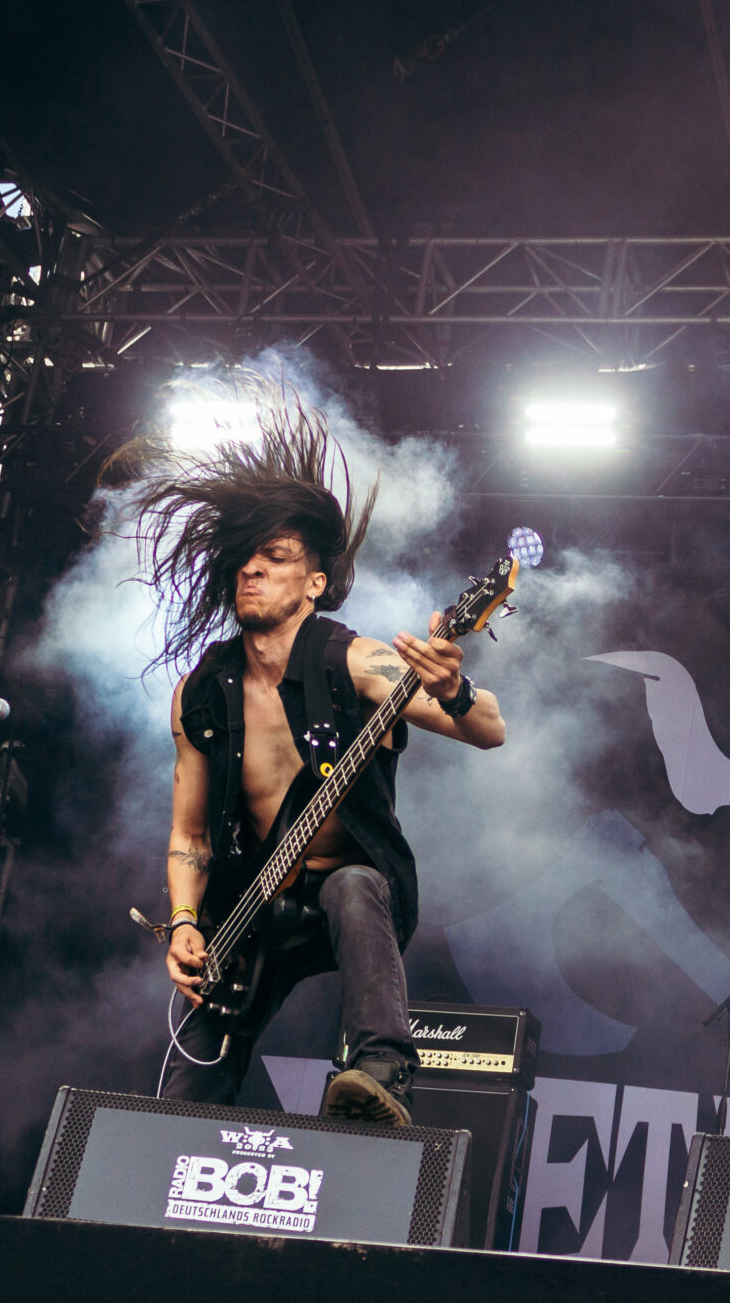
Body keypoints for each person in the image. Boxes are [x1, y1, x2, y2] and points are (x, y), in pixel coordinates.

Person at [143, 395, 505, 1125]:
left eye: (275, 558)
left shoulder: (356, 660)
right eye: (246, 559)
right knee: (180, 1100)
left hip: (354, 896)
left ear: (314, 582)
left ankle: (381, 1070)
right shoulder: (201, 693)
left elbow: (490, 728)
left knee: (352, 885)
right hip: (248, 909)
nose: (252, 569)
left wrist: (453, 689)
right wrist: (183, 921)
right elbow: (190, 835)